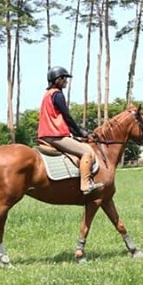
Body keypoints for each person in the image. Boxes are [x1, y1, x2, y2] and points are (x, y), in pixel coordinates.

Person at [37, 66, 104, 194]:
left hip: (46, 134)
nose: (66, 81)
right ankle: (85, 185)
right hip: (55, 136)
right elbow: (67, 117)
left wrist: (75, 132)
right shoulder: (57, 95)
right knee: (87, 151)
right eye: (64, 78)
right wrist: (81, 132)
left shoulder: (47, 95)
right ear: (58, 79)